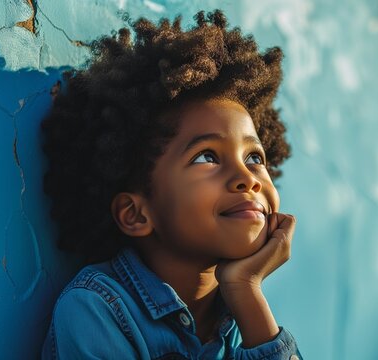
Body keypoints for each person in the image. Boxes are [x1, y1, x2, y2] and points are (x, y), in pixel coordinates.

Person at [40, 8, 302, 360]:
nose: (247, 179)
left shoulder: (238, 309)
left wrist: (245, 289)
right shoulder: (95, 309)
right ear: (136, 214)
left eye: (254, 157)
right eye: (206, 157)